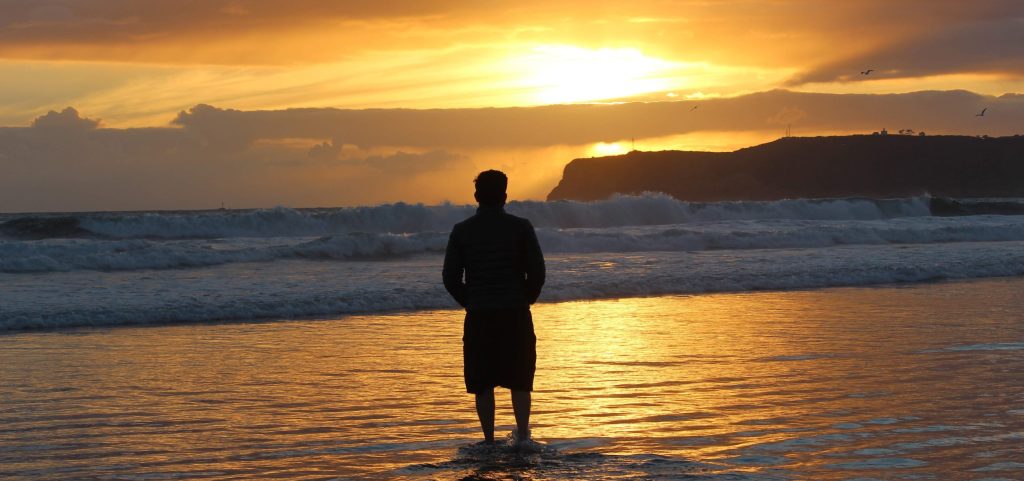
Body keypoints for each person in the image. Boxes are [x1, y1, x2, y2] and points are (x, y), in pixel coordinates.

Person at [442, 170, 545, 445]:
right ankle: (522, 436)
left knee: (483, 381)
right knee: (520, 378)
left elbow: (450, 278)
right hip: (515, 313)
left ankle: (488, 440)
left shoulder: (462, 231)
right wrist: (526, 298)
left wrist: (471, 301)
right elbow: (537, 272)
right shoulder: (521, 227)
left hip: (480, 315)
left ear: (476, 196)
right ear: (505, 196)